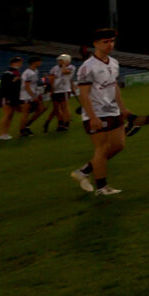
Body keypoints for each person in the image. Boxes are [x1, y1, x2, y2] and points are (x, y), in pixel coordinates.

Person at [70, 29, 132, 196]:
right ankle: (102, 187)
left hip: (113, 110)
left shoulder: (113, 62)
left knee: (118, 146)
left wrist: (123, 107)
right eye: (105, 41)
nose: (110, 44)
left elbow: (114, 86)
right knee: (102, 148)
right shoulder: (87, 67)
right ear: (95, 44)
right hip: (96, 113)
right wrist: (92, 117)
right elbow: (83, 94)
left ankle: (84, 171)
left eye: (112, 41)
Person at [43, 54, 75, 132]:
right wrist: (51, 90)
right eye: (59, 60)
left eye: (61, 60)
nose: (59, 62)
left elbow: (65, 72)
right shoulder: (54, 68)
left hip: (64, 90)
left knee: (65, 108)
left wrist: (64, 65)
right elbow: (50, 78)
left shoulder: (71, 67)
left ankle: (66, 124)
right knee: (56, 108)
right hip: (56, 90)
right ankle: (60, 123)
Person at [18, 56, 46, 136]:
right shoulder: (28, 73)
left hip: (32, 94)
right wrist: (33, 96)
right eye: (39, 61)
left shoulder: (35, 71)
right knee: (25, 113)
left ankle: (27, 125)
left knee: (41, 109)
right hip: (26, 96)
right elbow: (27, 86)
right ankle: (22, 130)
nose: (40, 63)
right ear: (34, 62)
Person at [0, 56, 22, 141]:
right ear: (14, 63)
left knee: (10, 116)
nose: (20, 64)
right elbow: (5, 86)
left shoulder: (15, 72)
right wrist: (15, 80)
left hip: (13, 96)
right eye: (19, 62)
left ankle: (6, 133)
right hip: (8, 97)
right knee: (7, 115)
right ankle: (2, 133)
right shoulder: (8, 73)